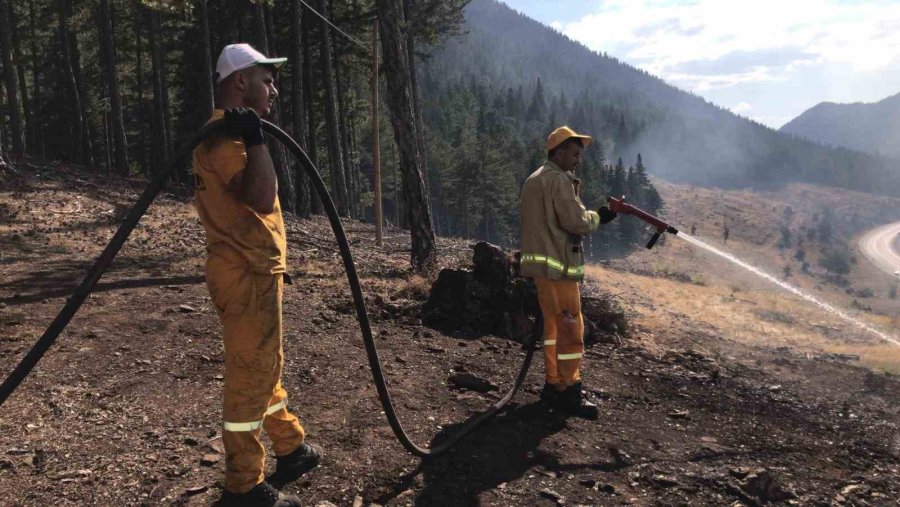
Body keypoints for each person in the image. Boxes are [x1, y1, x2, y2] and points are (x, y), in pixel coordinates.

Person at [192, 43, 321, 507]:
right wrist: (257, 139)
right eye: (266, 80)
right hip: (244, 271)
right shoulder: (225, 140)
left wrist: (253, 136)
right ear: (239, 81)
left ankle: (290, 446)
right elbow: (261, 198)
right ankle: (243, 485)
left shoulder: (231, 135)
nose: (275, 89)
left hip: (251, 269)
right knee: (251, 371)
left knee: (264, 364)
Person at [519, 126, 617, 420]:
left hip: (543, 268)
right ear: (558, 151)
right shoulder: (559, 180)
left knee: (552, 329)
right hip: (560, 267)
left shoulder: (534, 179)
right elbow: (575, 221)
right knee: (570, 327)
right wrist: (599, 217)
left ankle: (553, 385)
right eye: (574, 154)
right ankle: (569, 390)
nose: (578, 160)